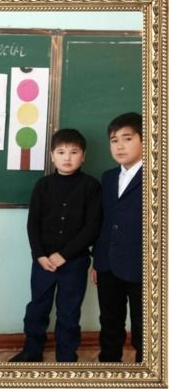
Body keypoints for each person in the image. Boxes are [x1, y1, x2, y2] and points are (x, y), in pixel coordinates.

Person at [9, 129, 102, 362]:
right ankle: (32, 351)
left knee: (69, 311)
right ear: (52, 156)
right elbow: (33, 224)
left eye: (74, 152)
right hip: (43, 262)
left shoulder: (91, 186)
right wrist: (39, 255)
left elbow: (92, 228)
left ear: (83, 156)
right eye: (61, 152)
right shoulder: (43, 185)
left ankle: (66, 356)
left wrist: (65, 255)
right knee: (37, 307)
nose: (67, 157)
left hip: (75, 262)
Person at [91, 112, 143, 363]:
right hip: (108, 264)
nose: (120, 146)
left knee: (145, 326)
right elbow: (105, 221)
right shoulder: (109, 177)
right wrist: (97, 261)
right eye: (114, 140)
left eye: (127, 138)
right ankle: (109, 367)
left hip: (143, 266)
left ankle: (148, 372)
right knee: (110, 322)